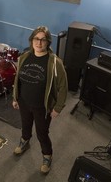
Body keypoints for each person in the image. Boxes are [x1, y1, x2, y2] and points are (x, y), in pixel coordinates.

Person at [12, 26, 68, 174]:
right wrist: (15, 97)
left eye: (43, 39)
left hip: (42, 107)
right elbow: (18, 79)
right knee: (25, 125)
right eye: (36, 38)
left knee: (42, 133)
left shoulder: (55, 62)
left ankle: (47, 155)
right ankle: (25, 141)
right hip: (24, 101)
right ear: (32, 40)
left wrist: (57, 107)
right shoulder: (24, 56)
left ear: (48, 42)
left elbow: (63, 87)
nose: (39, 42)